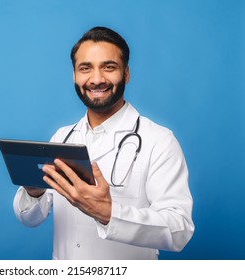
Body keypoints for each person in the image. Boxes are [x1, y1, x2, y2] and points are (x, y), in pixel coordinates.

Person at [13, 26, 194, 260]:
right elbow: (31, 219)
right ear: (74, 76)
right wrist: (34, 192)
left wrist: (109, 213)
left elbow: (179, 229)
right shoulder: (62, 137)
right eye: (85, 68)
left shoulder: (159, 140)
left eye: (109, 67)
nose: (96, 79)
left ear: (126, 73)